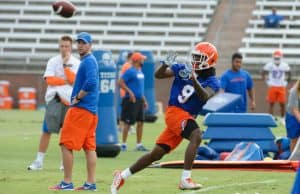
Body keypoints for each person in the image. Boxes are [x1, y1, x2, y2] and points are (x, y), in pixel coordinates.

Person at [111, 42, 220, 193]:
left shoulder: (213, 81)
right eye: (195, 57)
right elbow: (158, 74)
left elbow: (204, 96)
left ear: (210, 60)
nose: (195, 61)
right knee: (196, 135)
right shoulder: (183, 68)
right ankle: (185, 179)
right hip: (175, 112)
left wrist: (194, 80)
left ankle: (122, 176)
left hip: (183, 117)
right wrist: (165, 63)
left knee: (155, 154)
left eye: (199, 58)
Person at [49, 32, 99, 191]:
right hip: (91, 111)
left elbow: (91, 82)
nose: (81, 45)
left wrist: (78, 96)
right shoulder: (89, 61)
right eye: (79, 42)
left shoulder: (88, 61)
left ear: (90, 45)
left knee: (65, 144)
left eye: (84, 43)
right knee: (89, 147)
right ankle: (90, 183)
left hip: (81, 110)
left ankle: (67, 182)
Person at [27, 35, 80, 171]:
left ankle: (64, 163)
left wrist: (66, 66)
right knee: (47, 130)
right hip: (55, 98)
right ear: (59, 46)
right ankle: (39, 161)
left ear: (71, 47)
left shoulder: (76, 62)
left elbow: (73, 80)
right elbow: (49, 79)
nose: (64, 49)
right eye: (62, 46)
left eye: (67, 46)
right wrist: (64, 81)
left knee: (67, 133)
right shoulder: (52, 61)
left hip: (69, 100)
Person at [119, 52, 148, 151]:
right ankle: (123, 144)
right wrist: (130, 92)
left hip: (139, 100)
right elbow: (120, 82)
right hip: (131, 100)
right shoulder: (130, 71)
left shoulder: (140, 72)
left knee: (141, 122)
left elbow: (140, 88)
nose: (143, 61)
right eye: (142, 59)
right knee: (128, 122)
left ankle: (139, 145)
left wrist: (144, 100)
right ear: (137, 60)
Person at [262, 49, 291, 125]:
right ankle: (271, 118)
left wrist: (287, 82)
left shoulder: (284, 65)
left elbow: (289, 73)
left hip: (281, 86)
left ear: (281, 58)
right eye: (276, 58)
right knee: (271, 103)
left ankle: (283, 118)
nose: (277, 60)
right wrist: (266, 81)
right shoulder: (270, 65)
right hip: (273, 86)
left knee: (282, 103)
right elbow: (263, 71)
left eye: (278, 58)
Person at [285, 80, 300, 153]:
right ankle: (292, 159)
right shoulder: (294, 91)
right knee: (294, 139)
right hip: (293, 117)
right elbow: (295, 110)